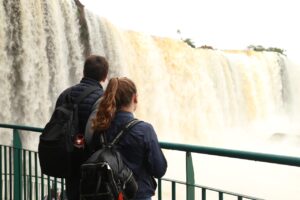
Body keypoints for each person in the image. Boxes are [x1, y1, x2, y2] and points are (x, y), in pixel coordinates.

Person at [90, 77, 167, 200]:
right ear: (134, 98)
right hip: (138, 194)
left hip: (108, 194)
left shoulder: (100, 128)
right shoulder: (144, 130)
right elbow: (159, 169)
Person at [54, 55, 109, 200]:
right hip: (91, 166)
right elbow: (97, 134)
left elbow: (56, 125)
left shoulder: (65, 94)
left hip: (68, 160)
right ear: (104, 77)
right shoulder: (102, 99)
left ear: (84, 72)